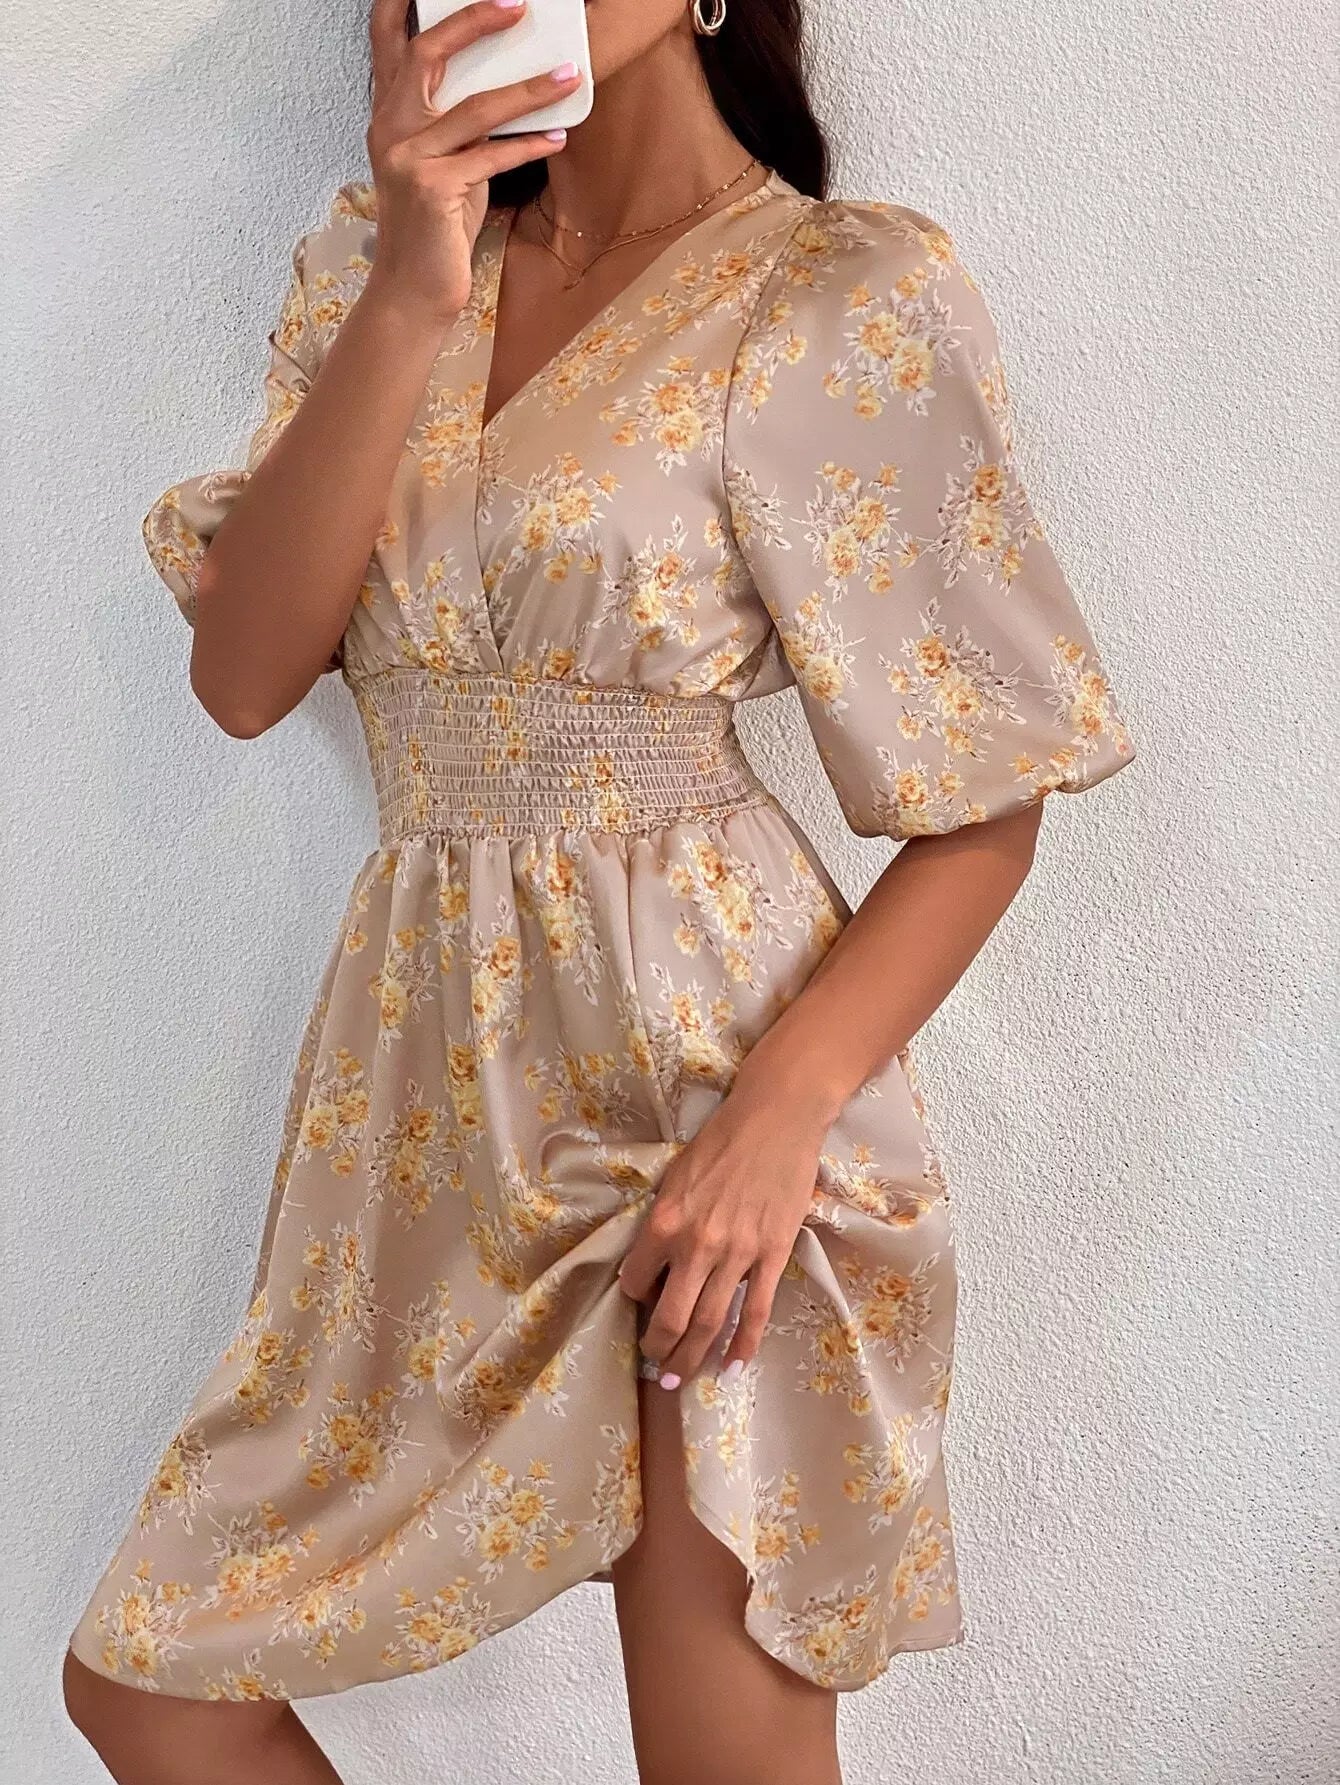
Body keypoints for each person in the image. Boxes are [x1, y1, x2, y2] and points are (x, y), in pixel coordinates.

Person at [62, 2, 1137, 1781]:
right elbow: (245, 675)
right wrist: (413, 281)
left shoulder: (826, 292)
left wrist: (778, 1122)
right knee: (153, 1686)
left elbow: (986, 802)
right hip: (421, 1118)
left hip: (708, 1110)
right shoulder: (380, 261)